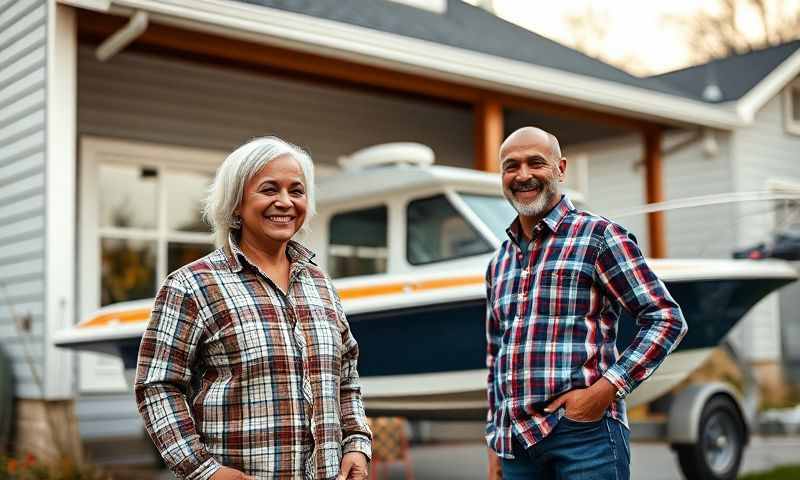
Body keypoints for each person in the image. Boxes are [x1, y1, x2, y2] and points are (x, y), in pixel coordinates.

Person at [135, 137, 372, 480]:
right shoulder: (191, 285)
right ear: (235, 204)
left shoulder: (320, 284)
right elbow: (157, 387)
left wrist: (356, 445)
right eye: (269, 189)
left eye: (297, 191)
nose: (285, 202)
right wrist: (205, 471)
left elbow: (346, 378)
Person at [485, 127, 687, 479]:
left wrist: (606, 390)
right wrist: (496, 442)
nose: (523, 175)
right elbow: (495, 354)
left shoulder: (600, 237)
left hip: (584, 436)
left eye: (536, 162)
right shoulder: (499, 261)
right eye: (511, 166)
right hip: (516, 446)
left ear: (560, 169)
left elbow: (666, 318)